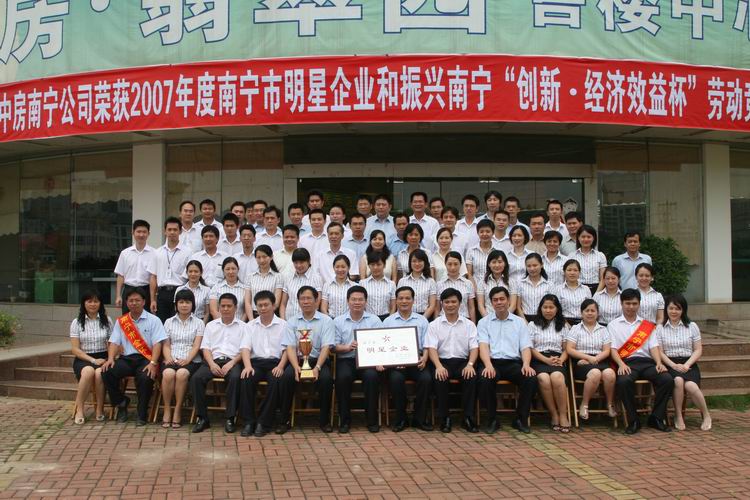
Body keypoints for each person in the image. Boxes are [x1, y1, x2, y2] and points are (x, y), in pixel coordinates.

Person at [609, 288, 674, 435]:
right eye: (627, 303)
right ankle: (633, 420)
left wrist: (659, 363)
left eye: (634, 303)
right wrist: (621, 364)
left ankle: (656, 417)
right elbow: (612, 349)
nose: (631, 307)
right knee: (623, 382)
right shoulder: (613, 325)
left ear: (639, 304)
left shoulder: (647, 325)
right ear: (621, 303)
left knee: (667, 379)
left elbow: (653, 347)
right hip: (627, 362)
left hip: (647, 362)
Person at [477, 286, 538, 434]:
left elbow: (525, 347)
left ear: (508, 300)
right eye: (495, 300)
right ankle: (492, 420)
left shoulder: (519, 322)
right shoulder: (484, 322)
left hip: (513, 363)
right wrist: (488, 365)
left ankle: (520, 419)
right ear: (491, 303)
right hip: (492, 362)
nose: (499, 302)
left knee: (530, 378)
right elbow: (483, 346)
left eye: (502, 299)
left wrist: (526, 364)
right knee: (485, 379)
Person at [102, 288, 166, 425]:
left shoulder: (154, 320)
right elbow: (114, 342)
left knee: (146, 377)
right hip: (126, 359)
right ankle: (121, 402)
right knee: (107, 371)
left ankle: (142, 413)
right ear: (126, 302)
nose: (134, 303)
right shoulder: (122, 321)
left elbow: (157, 344)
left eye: (137, 300)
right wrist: (110, 358)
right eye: (131, 300)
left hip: (146, 359)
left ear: (144, 302)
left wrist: (153, 363)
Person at [282, 286, 336, 433]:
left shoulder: (326, 321)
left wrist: (317, 367)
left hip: (319, 361)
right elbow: (290, 347)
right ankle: (284, 420)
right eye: (302, 299)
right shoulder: (292, 321)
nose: (305, 302)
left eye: (309, 298)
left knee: (326, 380)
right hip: (298, 361)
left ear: (316, 300)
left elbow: (326, 347)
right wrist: (295, 367)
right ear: (298, 301)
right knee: (286, 377)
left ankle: (324, 421)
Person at [239, 291, 293, 437]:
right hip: (255, 363)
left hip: (275, 362)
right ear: (256, 307)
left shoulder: (284, 325)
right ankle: (249, 422)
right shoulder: (250, 325)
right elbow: (245, 348)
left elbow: (287, 349)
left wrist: (281, 366)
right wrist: (247, 366)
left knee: (276, 379)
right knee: (246, 378)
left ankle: (263, 422)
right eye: (260, 305)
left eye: (266, 305)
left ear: (274, 305)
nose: (263, 308)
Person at [191, 293, 246, 434]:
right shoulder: (210, 325)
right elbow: (205, 348)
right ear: (219, 308)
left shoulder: (243, 326)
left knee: (235, 378)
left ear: (235, 308)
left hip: (233, 361)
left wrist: (232, 363)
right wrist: (211, 364)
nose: (226, 309)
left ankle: (230, 418)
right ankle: (202, 418)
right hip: (212, 361)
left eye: (229, 306)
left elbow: (245, 350)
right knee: (196, 378)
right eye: (223, 306)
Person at [426, 288, 479, 433]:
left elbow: (474, 347)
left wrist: (470, 364)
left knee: (471, 376)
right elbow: (432, 348)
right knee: (440, 377)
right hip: (442, 361)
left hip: (463, 362)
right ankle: (445, 418)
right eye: (447, 302)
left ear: (460, 303)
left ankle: (468, 417)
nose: (450, 305)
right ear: (442, 304)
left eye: (453, 302)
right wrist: (438, 366)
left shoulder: (469, 324)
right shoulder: (434, 325)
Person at [657, 294, 711, 431]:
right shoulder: (660, 328)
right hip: (670, 363)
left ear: (683, 310)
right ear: (666, 309)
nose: (674, 311)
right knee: (678, 381)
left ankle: (706, 415)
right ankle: (678, 415)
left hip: (689, 363)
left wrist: (687, 365)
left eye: (678, 308)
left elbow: (698, 349)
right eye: (671, 308)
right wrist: (673, 365)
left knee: (691, 386)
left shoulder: (692, 326)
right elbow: (660, 352)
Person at [334, 286, 384, 433]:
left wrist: (380, 361)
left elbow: (382, 343)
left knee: (372, 377)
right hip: (346, 359)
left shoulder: (374, 320)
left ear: (365, 301)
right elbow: (333, 347)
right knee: (342, 378)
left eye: (360, 299)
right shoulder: (338, 321)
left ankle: (372, 421)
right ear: (347, 301)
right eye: (353, 299)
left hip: (369, 360)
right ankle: (344, 421)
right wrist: (347, 347)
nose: (357, 302)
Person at [383, 286, 433, 432]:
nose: (404, 301)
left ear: (413, 300)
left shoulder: (422, 320)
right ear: (396, 301)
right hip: (395, 363)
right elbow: (383, 346)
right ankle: (401, 419)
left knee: (426, 379)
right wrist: (391, 361)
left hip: (417, 361)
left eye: (407, 298)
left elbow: (427, 344)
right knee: (395, 379)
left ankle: (419, 419)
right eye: (401, 298)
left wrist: (424, 358)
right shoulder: (388, 321)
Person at [566, 299, 617, 421]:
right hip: (581, 362)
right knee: (595, 373)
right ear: (581, 313)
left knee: (610, 373)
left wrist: (594, 359)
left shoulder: (604, 330)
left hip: (600, 360)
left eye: (593, 311)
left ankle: (610, 404)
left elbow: (607, 350)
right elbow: (569, 349)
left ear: (597, 313)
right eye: (587, 310)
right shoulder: (575, 329)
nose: (590, 313)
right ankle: (584, 405)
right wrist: (588, 358)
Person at [160, 289, 204, 428]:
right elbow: (166, 344)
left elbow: (196, 346)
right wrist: (168, 358)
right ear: (176, 304)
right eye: (181, 302)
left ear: (193, 304)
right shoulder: (168, 322)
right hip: (171, 358)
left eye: (188, 302)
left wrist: (187, 360)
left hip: (191, 360)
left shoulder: (199, 323)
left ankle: (178, 410)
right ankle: (167, 408)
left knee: (181, 374)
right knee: (168, 373)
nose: (184, 305)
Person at [528, 294, 571, 432]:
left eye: (551, 307)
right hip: (539, 359)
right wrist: (545, 360)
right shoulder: (532, 325)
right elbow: (530, 348)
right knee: (543, 378)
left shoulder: (563, 325)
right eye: (545, 307)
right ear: (540, 308)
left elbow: (567, 348)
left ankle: (563, 415)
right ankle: (553, 414)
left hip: (558, 358)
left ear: (557, 309)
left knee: (557, 377)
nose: (548, 310)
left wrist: (561, 360)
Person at [70, 291, 112, 424]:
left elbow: (112, 343)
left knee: (99, 373)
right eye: (89, 301)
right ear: (84, 304)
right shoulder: (77, 322)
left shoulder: (107, 320)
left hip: (103, 357)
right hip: (83, 358)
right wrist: (93, 360)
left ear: (100, 303)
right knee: (88, 371)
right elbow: (75, 349)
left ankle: (99, 409)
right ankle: (80, 409)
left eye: (96, 301)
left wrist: (110, 358)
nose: (93, 304)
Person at [150, 217, 190, 323]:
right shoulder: (157, 252)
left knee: (178, 324)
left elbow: (190, 276)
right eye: (169, 229)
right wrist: (153, 300)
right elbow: (153, 276)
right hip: (162, 293)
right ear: (165, 231)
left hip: (180, 292)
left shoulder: (188, 252)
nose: (172, 232)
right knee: (161, 324)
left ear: (180, 231)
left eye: (175, 230)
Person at [114, 219, 156, 314]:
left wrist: (153, 299)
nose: (141, 235)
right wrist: (118, 296)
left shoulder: (154, 253)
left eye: (144, 232)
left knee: (146, 318)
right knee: (127, 319)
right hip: (128, 290)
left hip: (145, 290)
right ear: (133, 232)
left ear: (148, 233)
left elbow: (153, 277)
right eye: (138, 231)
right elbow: (120, 276)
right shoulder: (125, 253)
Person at [279, 248, 323, 321]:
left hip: (309, 321)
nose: (298, 265)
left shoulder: (316, 278)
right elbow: (283, 304)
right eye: (296, 263)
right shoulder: (288, 277)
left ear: (309, 261)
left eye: (301, 262)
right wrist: (283, 321)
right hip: (289, 320)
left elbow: (317, 304)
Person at [436, 252, 476, 323]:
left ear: (460, 264)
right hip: (444, 322)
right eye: (449, 264)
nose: (453, 267)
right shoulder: (439, 284)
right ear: (445, 264)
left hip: (464, 321)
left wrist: (473, 325)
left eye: (456, 264)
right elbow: (437, 308)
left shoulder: (468, 283)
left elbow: (471, 307)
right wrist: (436, 324)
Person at [397, 249, 437, 318]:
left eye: (420, 261)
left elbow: (432, 305)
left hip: (425, 317)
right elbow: (398, 302)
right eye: (414, 261)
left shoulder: (431, 281)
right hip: (405, 317)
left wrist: (422, 319)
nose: (417, 264)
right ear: (410, 263)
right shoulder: (402, 281)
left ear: (425, 263)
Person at [245, 245, 282, 318]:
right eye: (258, 257)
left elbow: (276, 302)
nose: (261, 260)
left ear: (271, 257)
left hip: (271, 315)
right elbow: (247, 302)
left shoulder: (278, 277)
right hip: (254, 315)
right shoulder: (250, 277)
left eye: (264, 257)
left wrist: (266, 315)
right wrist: (252, 320)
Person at [477, 249, 516, 318]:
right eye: (494, 262)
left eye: (500, 262)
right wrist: (489, 319)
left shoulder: (511, 282)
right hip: (488, 318)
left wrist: (504, 318)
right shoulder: (482, 282)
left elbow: (513, 305)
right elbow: (480, 305)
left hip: (507, 319)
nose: (497, 265)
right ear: (489, 264)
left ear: (505, 263)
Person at [514, 253, 552, 322]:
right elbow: (518, 307)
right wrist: (524, 322)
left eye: (535, 265)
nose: (532, 268)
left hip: (544, 319)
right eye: (529, 266)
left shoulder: (549, 284)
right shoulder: (520, 283)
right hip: (525, 318)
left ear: (541, 265)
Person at [209, 257, 249, 321]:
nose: (231, 272)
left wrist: (240, 324)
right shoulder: (216, 288)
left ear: (238, 269)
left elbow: (246, 311)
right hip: (220, 324)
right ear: (223, 270)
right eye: (227, 269)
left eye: (233, 269)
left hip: (240, 324)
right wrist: (223, 324)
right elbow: (213, 311)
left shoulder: (245, 289)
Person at [554, 259, 592, 326]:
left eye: (575, 270)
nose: (572, 273)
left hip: (583, 323)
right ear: (564, 272)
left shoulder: (586, 289)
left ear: (579, 272)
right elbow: (555, 310)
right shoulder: (558, 289)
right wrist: (564, 323)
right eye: (569, 270)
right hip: (564, 323)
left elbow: (590, 308)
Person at [361, 252, 397, 321]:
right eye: (372, 264)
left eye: (378, 264)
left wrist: (389, 320)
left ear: (384, 265)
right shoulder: (362, 283)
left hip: (386, 318)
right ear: (368, 266)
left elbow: (393, 306)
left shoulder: (391, 284)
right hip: (368, 319)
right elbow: (362, 304)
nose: (375, 267)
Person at [572, 225, 606, 294]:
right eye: (583, 237)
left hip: (597, 289)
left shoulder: (600, 255)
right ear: (578, 238)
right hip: (578, 290)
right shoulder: (572, 256)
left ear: (594, 238)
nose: (586, 239)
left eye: (589, 237)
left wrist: (597, 294)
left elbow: (603, 279)